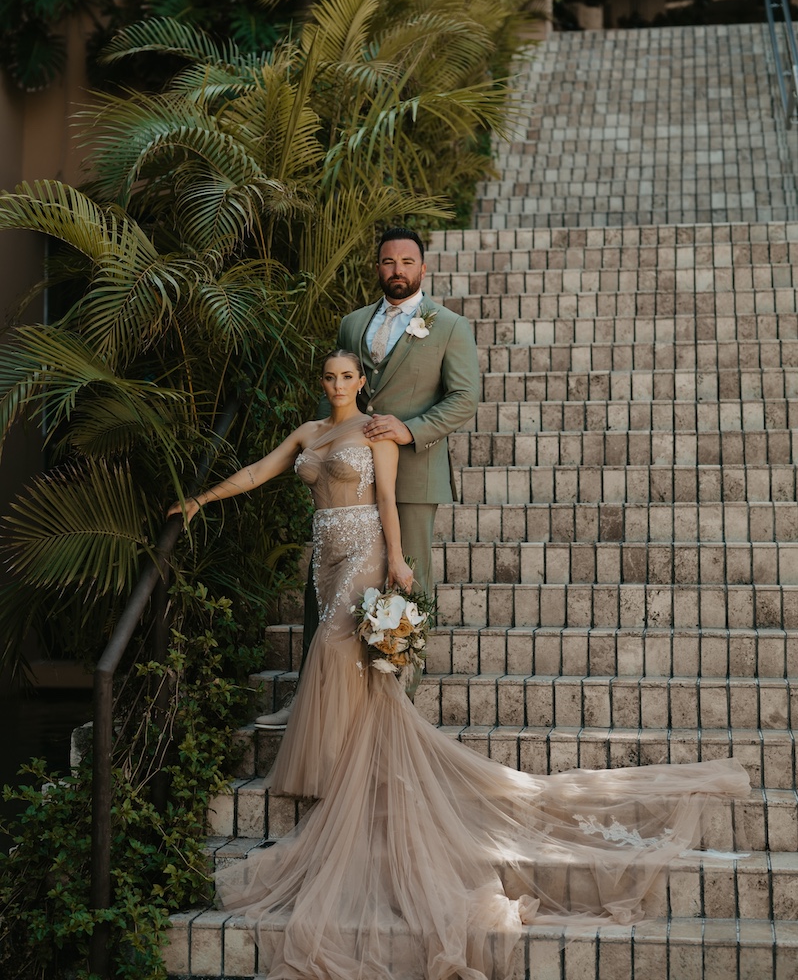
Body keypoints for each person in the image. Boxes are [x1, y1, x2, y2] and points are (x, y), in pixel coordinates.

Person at [170, 351, 750, 980]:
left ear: (361, 381)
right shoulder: (310, 435)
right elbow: (259, 470)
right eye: (329, 377)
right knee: (343, 662)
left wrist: (398, 560)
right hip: (325, 554)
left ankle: (345, 768)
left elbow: (387, 497)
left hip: (365, 546)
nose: (338, 385)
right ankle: (350, 759)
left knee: (336, 649)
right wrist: (200, 499)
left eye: (347, 377)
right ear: (323, 383)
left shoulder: (374, 431)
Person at [259, 226, 480, 724]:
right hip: (347, 473)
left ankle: (400, 699)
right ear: (377, 267)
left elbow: (465, 398)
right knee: (328, 582)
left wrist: (410, 428)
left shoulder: (448, 326)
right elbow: (335, 398)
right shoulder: (353, 322)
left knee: (408, 582)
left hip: (416, 470)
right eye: (387, 261)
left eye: (407, 261)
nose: (397, 270)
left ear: (423, 269)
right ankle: (309, 699)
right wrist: (317, 454)